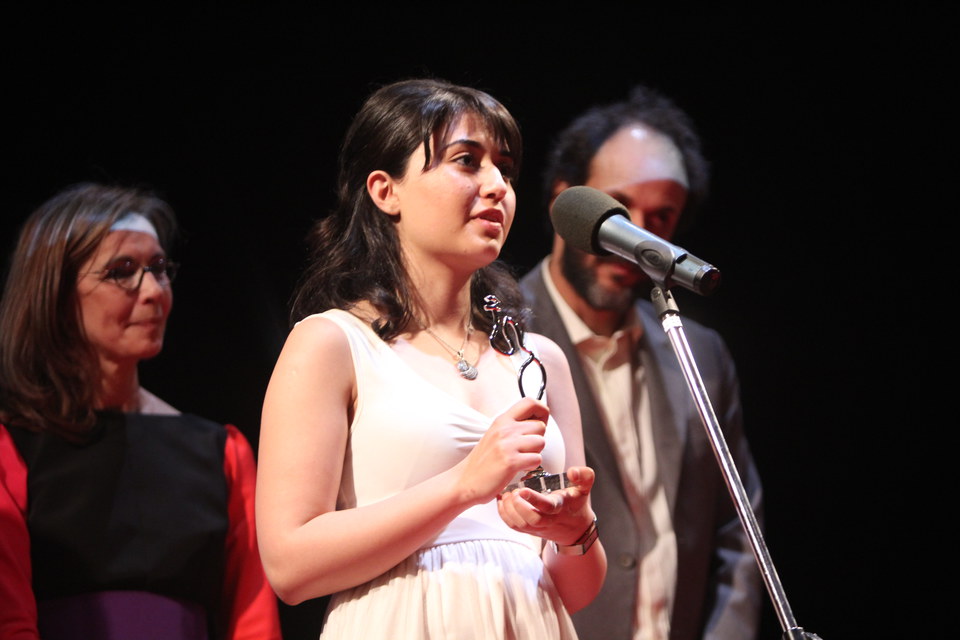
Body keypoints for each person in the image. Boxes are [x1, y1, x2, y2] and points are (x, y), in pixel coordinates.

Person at [255, 78, 607, 639]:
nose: (496, 185)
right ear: (384, 190)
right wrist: (464, 485)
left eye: (506, 170)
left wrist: (575, 530)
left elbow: (576, 591)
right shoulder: (330, 344)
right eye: (467, 161)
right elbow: (289, 567)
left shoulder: (538, 361)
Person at [518, 85, 764, 640]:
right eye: (619, 211)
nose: (637, 238)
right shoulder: (497, 338)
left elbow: (738, 529)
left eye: (661, 217)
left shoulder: (699, 353)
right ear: (568, 202)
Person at [0, 183, 282, 640]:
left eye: (158, 269)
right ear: (56, 292)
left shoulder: (220, 453)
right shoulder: (12, 450)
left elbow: (254, 625)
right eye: (122, 271)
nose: (153, 291)